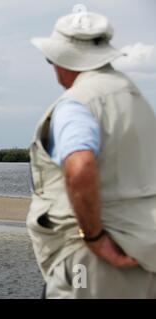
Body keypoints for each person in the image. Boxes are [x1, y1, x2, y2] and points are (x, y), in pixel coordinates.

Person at [28, 10, 156, 298]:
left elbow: (80, 166)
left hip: (95, 261)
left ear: (64, 59)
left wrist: (95, 238)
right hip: (146, 250)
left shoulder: (77, 102)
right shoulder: (135, 98)